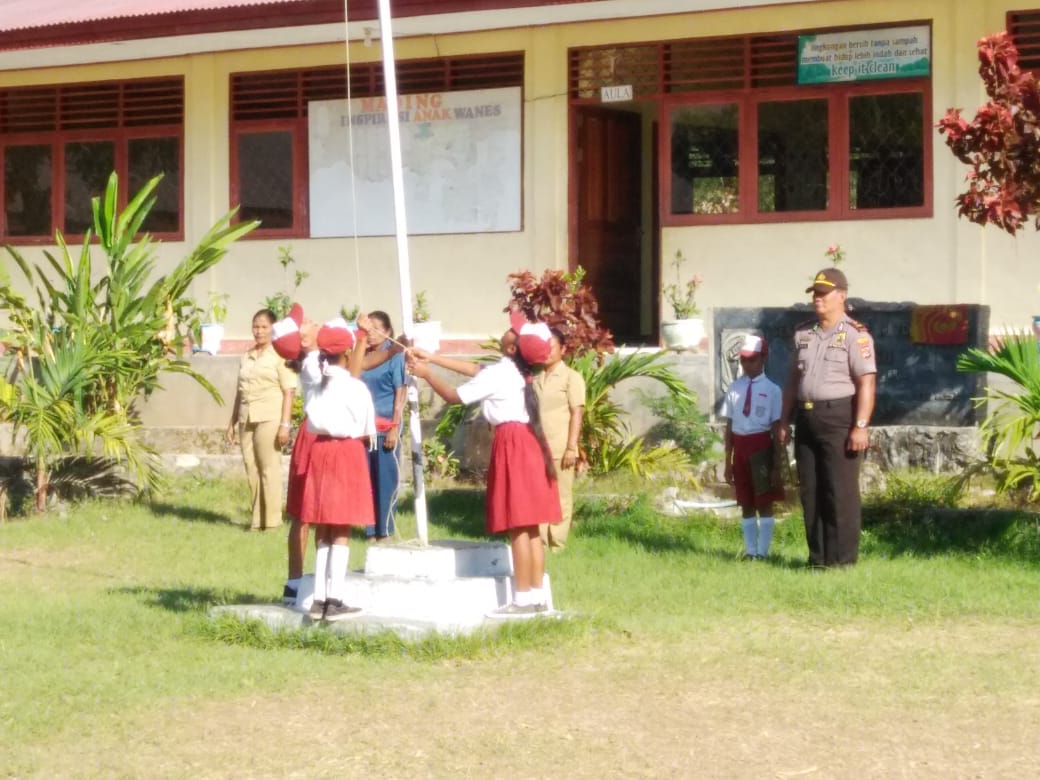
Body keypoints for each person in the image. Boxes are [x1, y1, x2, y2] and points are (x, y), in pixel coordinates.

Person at [407, 311, 562, 617]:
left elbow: (454, 396)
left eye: (512, 332)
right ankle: (535, 596)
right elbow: (476, 369)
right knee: (531, 529)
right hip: (530, 443)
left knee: (518, 526)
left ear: (511, 348)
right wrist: (434, 359)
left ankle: (521, 599)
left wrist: (426, 374)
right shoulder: (517, 369)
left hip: (513, 445)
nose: (507, 331)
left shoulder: (502, 373)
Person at [778, 268, 876, 567]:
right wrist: (783, 420)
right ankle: (818, 558)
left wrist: (860, 426)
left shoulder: (855, 335)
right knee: (811, 491)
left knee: (840, 492)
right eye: (815, 294)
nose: (817, 299)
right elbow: (793, 381)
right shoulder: (804, 333)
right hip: (807, 418)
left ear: (841, 296)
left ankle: (843, 561)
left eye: (824, 294)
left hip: (839, 417)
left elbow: (866, 382)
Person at [299, 315, 376, 622]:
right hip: (346, 452)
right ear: (347, 353)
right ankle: (336, 598)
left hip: (320, 451)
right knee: (341, 526)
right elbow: (367, 428)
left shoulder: (313, 381)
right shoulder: (355, 389)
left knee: (323, 526)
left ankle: (318, 598)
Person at [225, 308, 296, 531]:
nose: (259, 331)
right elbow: (240, 390)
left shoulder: (280, 356)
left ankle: (273, 521)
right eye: (256, 326)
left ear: (273, 329)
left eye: (264, 327)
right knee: (251, 467)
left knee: (268, 468)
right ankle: (257, 520)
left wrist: (285, 424)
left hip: (270, 416)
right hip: (247, 417)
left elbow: (289, 391)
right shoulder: (247, 356)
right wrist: (232, 421)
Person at [270, 305, 319, 606]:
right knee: (307, 514)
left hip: (310, 435)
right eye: (306, 323)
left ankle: (294, 581)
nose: (313, 321)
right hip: (318, 437)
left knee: (302, 515)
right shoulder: (316, 362)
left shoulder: (315, 357)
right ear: (302, 341)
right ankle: (301, 582)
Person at [721, 334, 784, 560]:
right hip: (740, 445)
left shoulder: (773, 390)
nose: (748, 364)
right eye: (744, 360)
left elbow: (777, 428)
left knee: (764, 501)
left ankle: (763, 551)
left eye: (753, 359)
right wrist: (727, 460)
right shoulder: (734, 389)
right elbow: (729, 426)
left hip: (760, 445)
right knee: (745, 501)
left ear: (763, 358)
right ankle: (750, 551)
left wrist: (777, 462)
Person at [533, 328, 585, 551]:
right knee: (538, 494)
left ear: (563, 350)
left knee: (561, 494)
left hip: (560, 446)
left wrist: (571, 448)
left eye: (551, 348)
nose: (547, 353)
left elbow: (577, 413)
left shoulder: (571, 378)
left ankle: (558, 542)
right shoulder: (534, 377)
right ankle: (541, 540)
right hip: (534, 446)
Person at [360, 311, 407, 541]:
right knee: (367, 479)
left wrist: (395, 426)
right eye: (368, 328)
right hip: (365, 427)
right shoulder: (363, 355)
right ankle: (370, 529)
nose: (370, 333)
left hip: (387, 423)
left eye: (376, 328)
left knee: (386, 479)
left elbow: (401, 390)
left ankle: (385, 530)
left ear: (388, 331)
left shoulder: (395, 354)